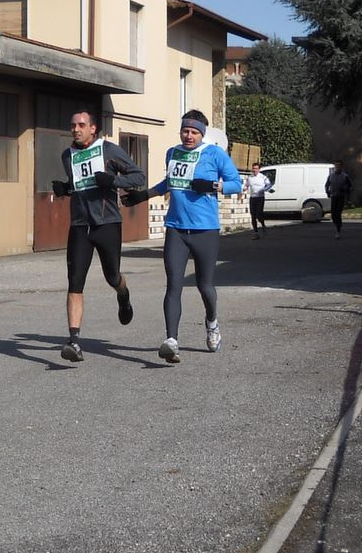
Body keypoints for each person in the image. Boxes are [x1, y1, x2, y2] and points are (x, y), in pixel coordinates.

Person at [122, 110, 242, 363]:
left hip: (205, 230)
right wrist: (144, 195)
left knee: (204, 285)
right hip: (176, 228)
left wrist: (213, 186)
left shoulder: (214, 154)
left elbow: (236, 184)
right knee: (173, 284)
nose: (189, 136)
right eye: (185, 131)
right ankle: (171, 340)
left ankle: (212, 323)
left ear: (202, 134)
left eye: (194, 132)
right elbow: (170, 182)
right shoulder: (172, 153)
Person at [50, 110, 146, 362]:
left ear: (93, 128)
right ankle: (74, 341)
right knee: (74, 283)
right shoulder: (67, 155)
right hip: (80, 226)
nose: (76, 129)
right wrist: (65, 188)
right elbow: (79, 184)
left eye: (81, 125)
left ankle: (123, 296)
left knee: (112, 277)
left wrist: (112, 181)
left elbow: (139, 176)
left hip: (107, 224)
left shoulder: (108, 150)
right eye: (73, 125)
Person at [325, 160, 353, 239]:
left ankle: (338, 231)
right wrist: (327, 192)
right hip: (333, 197)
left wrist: (345, 189)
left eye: (339, 165)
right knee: (333, 214)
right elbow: (327, 185)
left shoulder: (345, 176)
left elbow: (351, 187)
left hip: (341, 197)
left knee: (338, 213)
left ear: (341, 167)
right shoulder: (331, 176)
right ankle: (337, 223)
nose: (337, 167)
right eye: (336, 165)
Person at [243, 162, 272, 239]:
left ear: (259, 169)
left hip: (260, 197)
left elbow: (269, 185)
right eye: (253, 168)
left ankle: (263, 225)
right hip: (253, 198)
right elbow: (246, 185)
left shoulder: (263, 177)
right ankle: (256, 233)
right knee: (253, 216)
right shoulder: (249, 177)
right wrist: (244, 189)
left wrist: (264, 190)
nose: (254, 170)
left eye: (256, 168)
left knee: (259, 214)